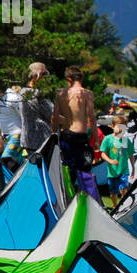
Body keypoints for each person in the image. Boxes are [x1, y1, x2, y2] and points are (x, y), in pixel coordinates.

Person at [52, 65, 99, 198]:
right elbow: (92, 118)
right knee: (85, 172)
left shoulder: (60, 94)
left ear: (68, 79)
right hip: (81, 136)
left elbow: (54, 117)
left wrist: (53, 135)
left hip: (66, 136)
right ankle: (89, 201)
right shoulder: (87, 94)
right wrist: (96, 140)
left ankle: (67, 200)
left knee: (68, 173)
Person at [100, 115, 135, 204]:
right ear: (112, 126)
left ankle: (123, 204)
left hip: (124, 170)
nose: (121, 129)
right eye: (119, 126)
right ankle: (115, 206)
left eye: (123, 127)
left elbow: (131, 154)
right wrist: (111, 161)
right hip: (112, 171)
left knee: (123, 188)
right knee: (113, 192)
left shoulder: (126, 140)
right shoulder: (107, 139)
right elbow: (103, 154)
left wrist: (133, 168)